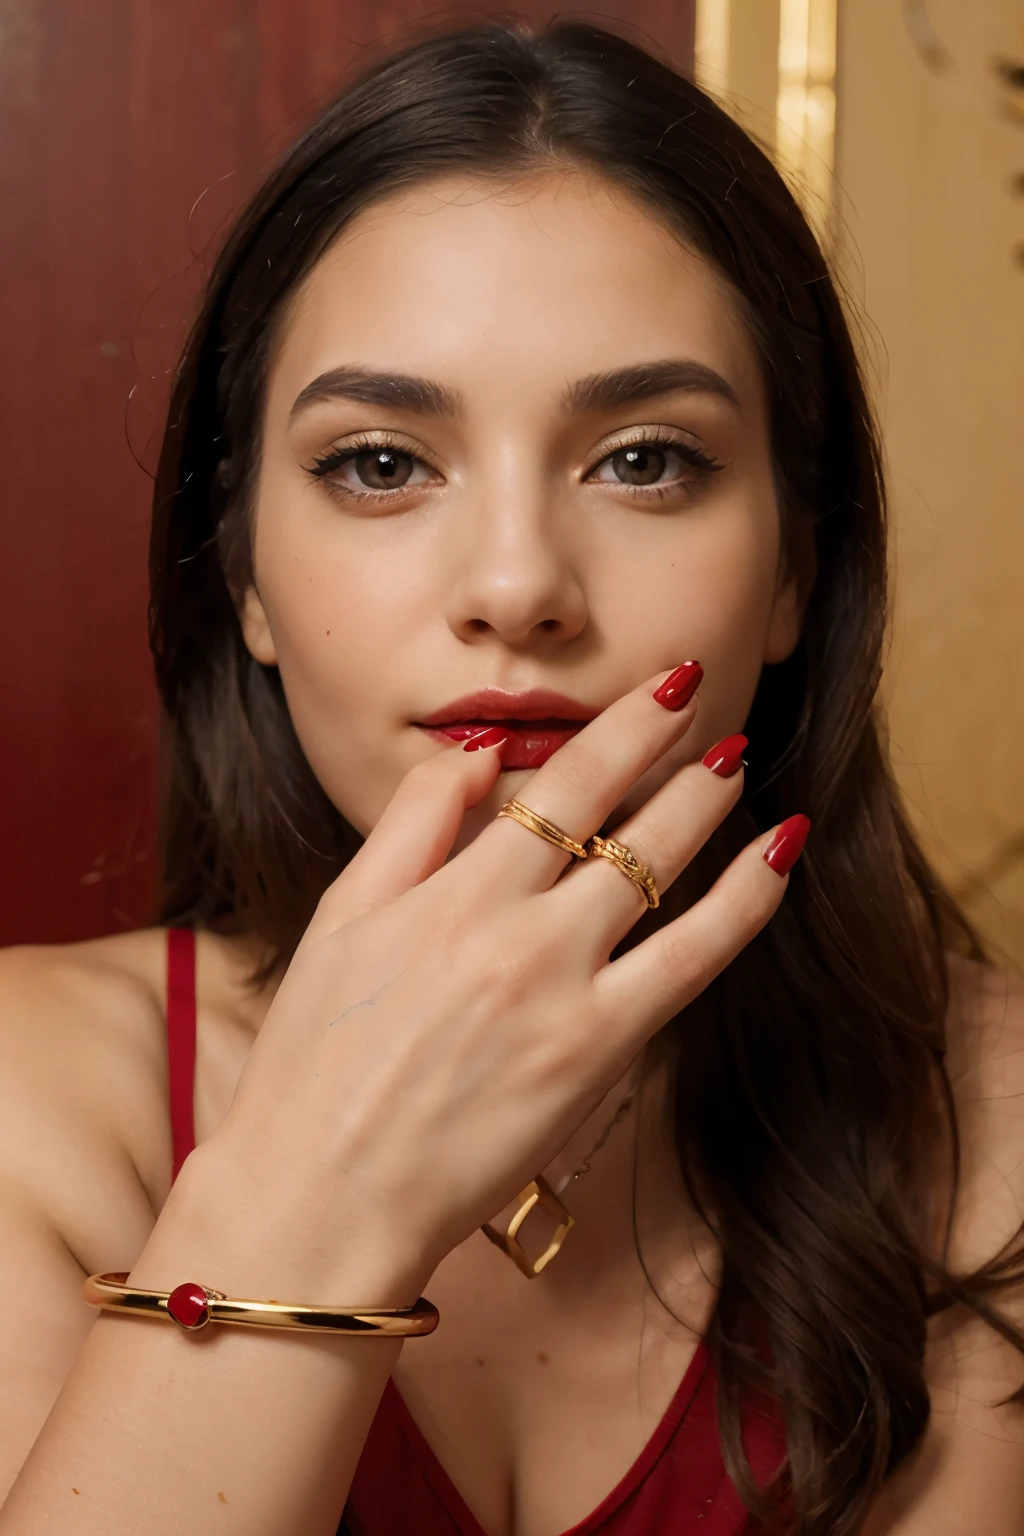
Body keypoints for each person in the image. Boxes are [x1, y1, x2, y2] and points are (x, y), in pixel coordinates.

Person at [0, 19, 1020, 1536]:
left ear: (798, 566)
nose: (520, 585)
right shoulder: (35, 1100)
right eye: (381, 463)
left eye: (646, 458)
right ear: (250, 583)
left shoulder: (985, 1109)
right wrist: (326, 1184)